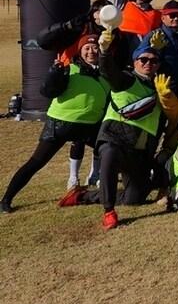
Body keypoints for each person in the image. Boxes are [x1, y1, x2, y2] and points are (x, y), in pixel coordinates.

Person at [2, 34, 109, 212]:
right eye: (87, 48)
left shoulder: (104, 75)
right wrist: (54, 73)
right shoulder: (69, 69)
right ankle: (6, 200)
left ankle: (119, 189)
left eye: (95, 48)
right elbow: (48, 91)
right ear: (80, 51)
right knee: (36, 162)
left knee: (112, 153)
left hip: (89, 127)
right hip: (59, 126)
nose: (91, 52)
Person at [96, 35, 178, 229]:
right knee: (109, 156)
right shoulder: (126, 80)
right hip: (115, 140)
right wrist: (103, 51)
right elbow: (108, 71)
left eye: (153, 61)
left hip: (140, 151)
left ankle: (86, 195)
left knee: (133, 198)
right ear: (134, 62)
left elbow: (166, 70)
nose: (148, 64)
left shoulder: (159, 85)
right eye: (143, 60)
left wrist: (159, 50)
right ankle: (108, 210)